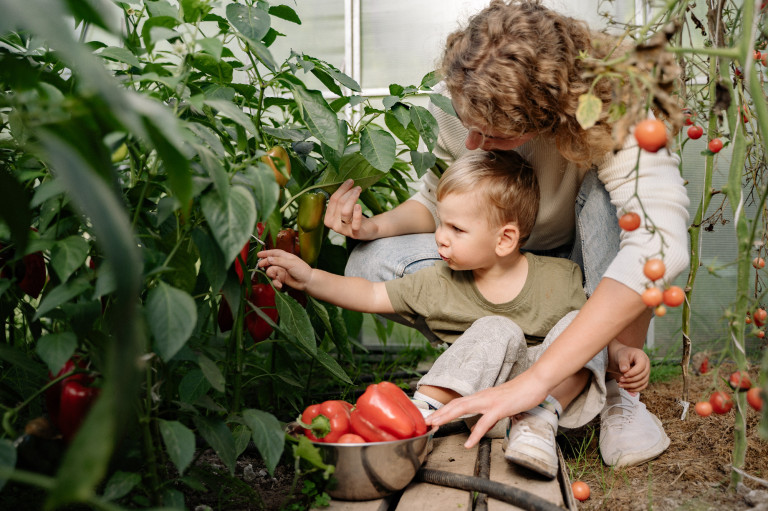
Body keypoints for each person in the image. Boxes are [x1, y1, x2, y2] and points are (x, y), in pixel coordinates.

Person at [323, 0, 689, 468]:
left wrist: (532, 385)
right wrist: (371, 227)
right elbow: (437, 199)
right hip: (500, 264)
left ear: (548, 114)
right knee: (371, 260)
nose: (472, 145)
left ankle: (610, 384)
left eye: (493, 135)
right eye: (467, 127)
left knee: (617, 205)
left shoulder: (619, 108)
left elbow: (659, 244)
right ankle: (505, 357)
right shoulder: (465, 95)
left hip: (582, 264)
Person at [259, 151, 650, 479]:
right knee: (496, 328)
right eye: (440, 222)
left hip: (551, 403)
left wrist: (620, 355)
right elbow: (370, 292)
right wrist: (310, 277)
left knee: (577, 325)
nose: (440, 237)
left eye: (456, 228)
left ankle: (535, 423)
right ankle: (418, 418)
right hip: (477, 403)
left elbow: (595, 334)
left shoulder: (560, 278)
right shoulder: (440, 281)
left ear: (505, 239)